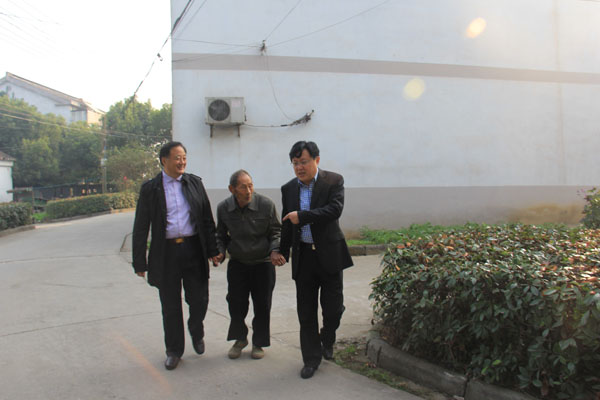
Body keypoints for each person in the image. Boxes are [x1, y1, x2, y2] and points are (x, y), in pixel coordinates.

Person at [132, 141, 221, 371]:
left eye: (184, 157)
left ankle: (196, 329)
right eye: (177, 158)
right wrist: (140, 261)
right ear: (164, 160)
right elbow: (141, 226)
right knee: (170, 305)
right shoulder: (151, 189)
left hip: (193, 249)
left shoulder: (194, 183)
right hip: (166, 253)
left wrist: (213, 250)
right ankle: (173, 351)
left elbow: (207, 220)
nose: (182, 162)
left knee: (199, 299)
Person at [279, 141, 353, 379]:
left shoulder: (334, 181)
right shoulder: (288, 189)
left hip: (329, 255)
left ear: (316, 160)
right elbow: (287, 224)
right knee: (306, 311)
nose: (299, 167)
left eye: (304, 162)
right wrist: (281, 251)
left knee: (333, 309)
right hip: (304, 258)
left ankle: (327, 338)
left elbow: (334, 210)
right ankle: (311, 359)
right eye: (295, 163)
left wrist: (302, 216)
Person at [215, 170, 285, 360]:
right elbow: (220, 235)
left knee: (262, 304)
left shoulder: (266, 204)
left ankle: (258, 342)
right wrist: (219, 252)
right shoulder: (224, 208)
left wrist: (275, 250)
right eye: (243, 187)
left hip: (263, 264)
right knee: (235, 303)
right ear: (232, 189)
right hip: (238, 263)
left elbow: (276, 232)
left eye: (250, 185)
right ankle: (240, 339)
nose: (248, 191)